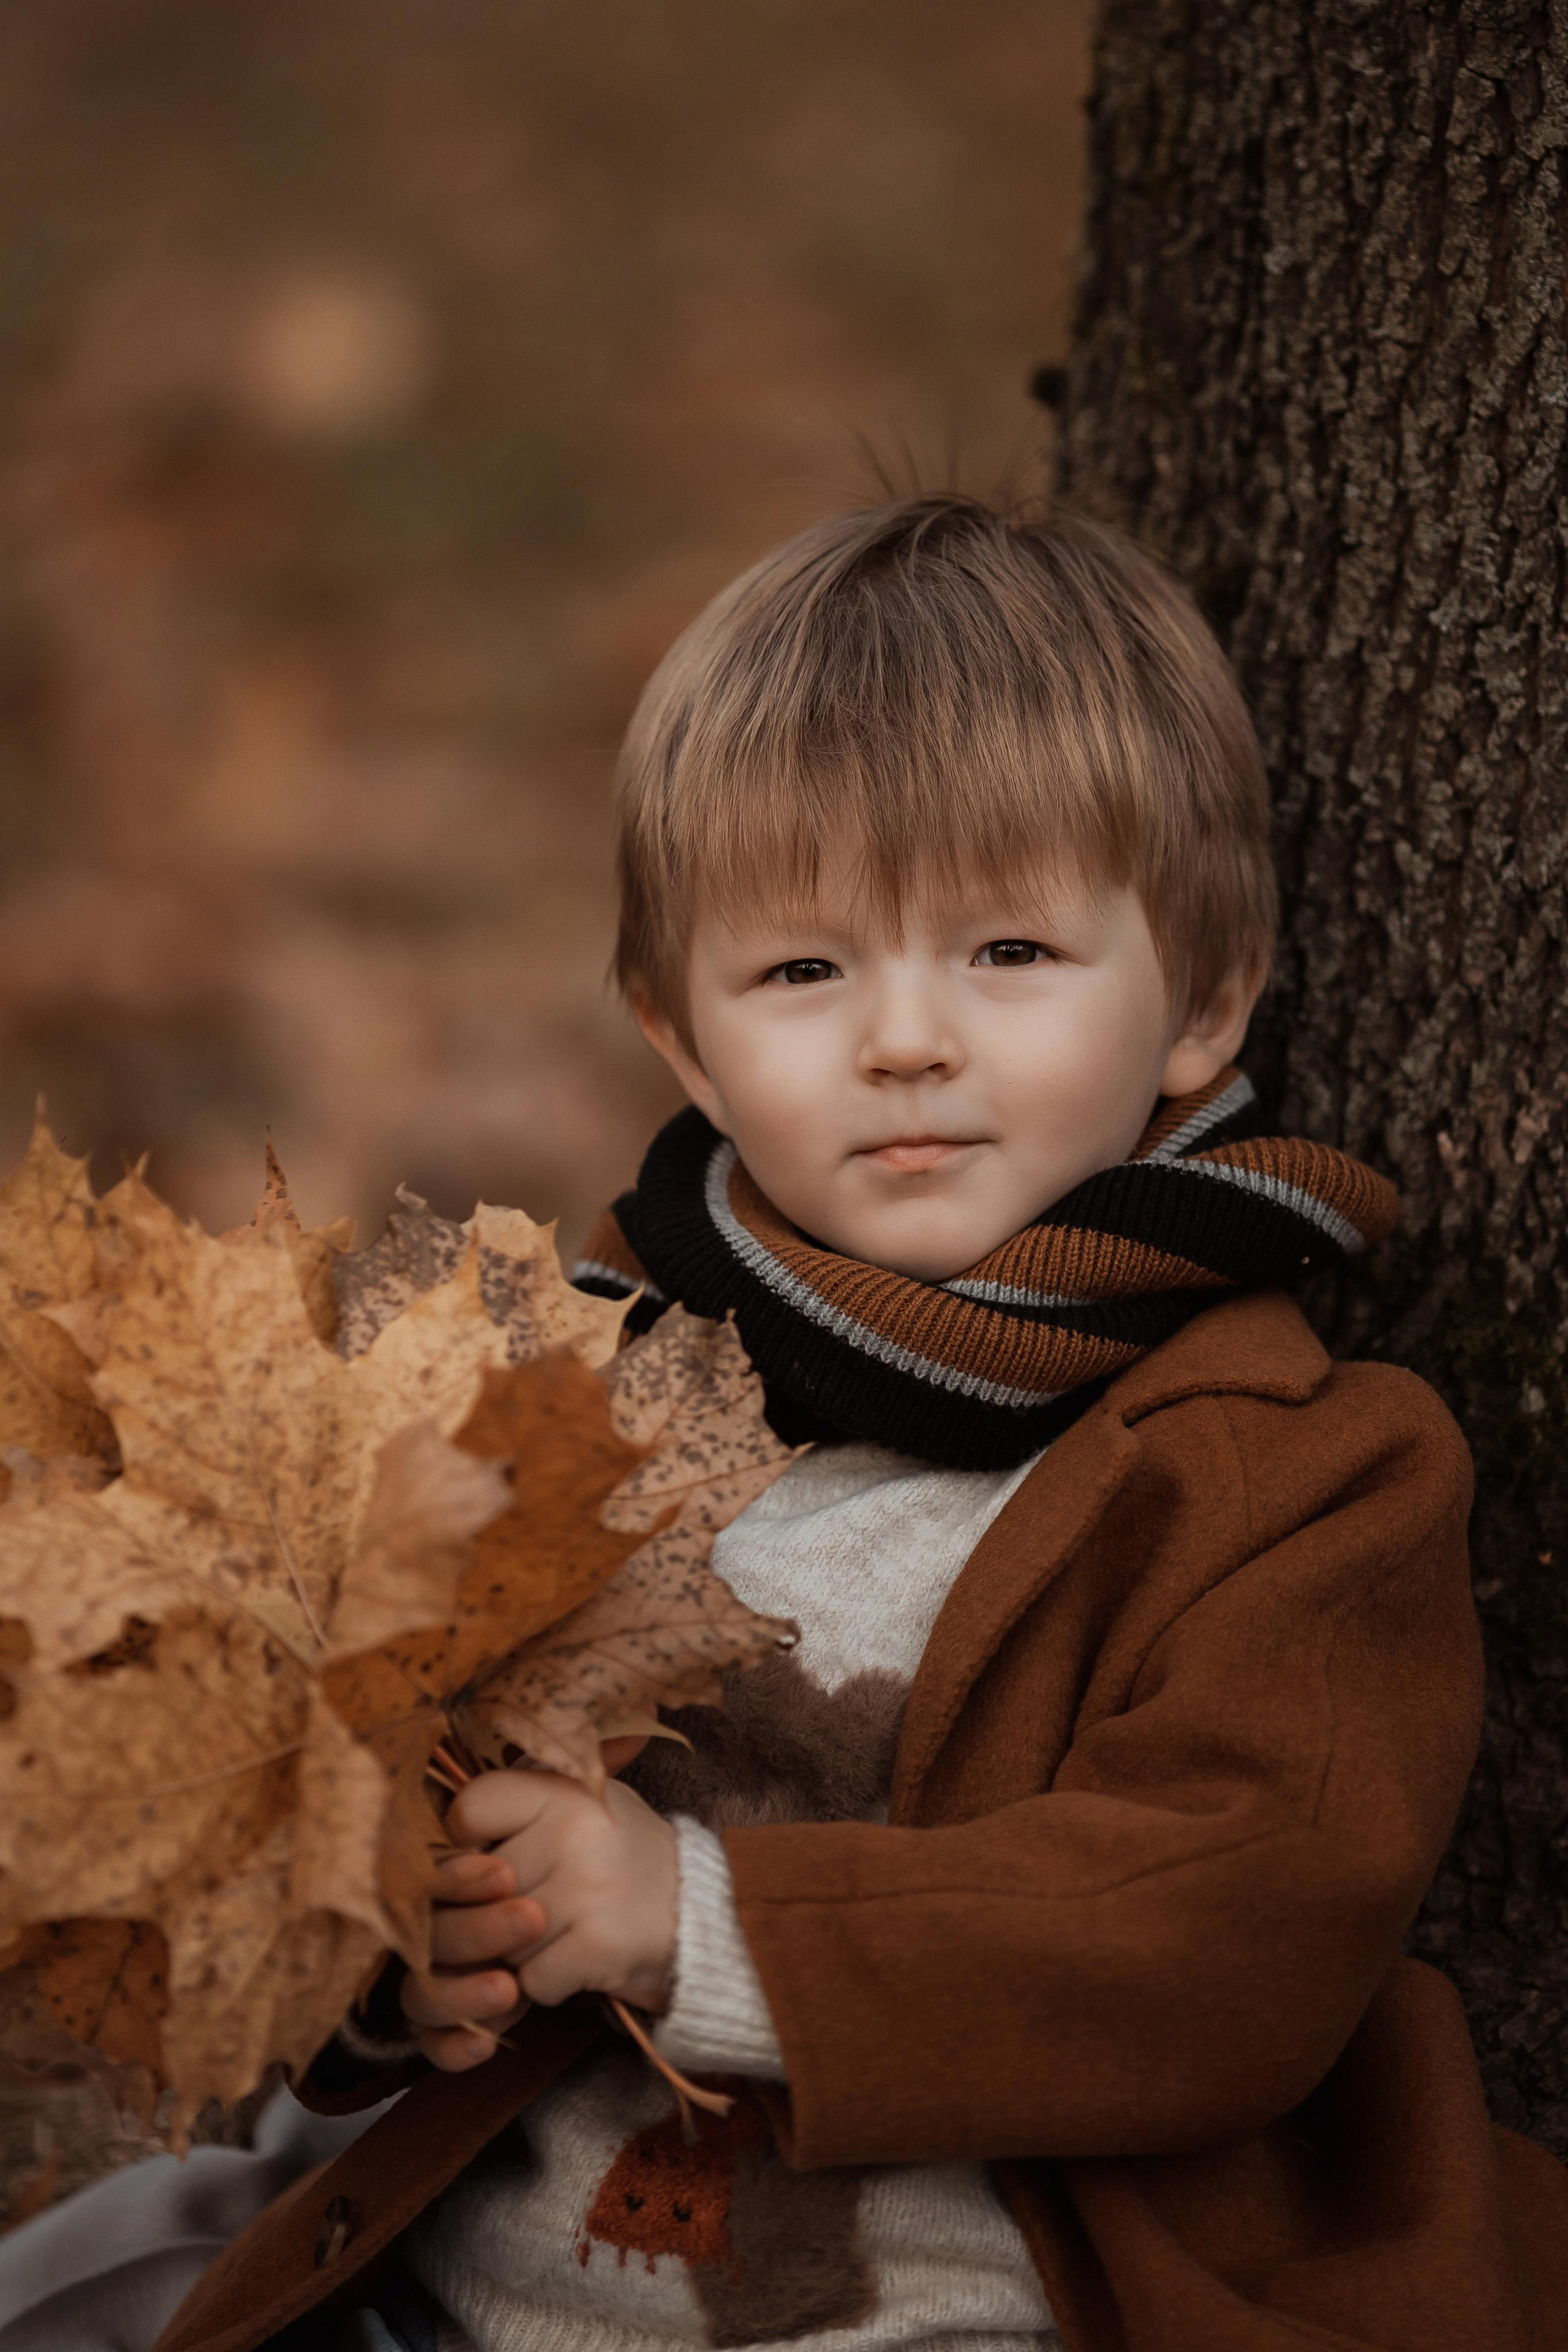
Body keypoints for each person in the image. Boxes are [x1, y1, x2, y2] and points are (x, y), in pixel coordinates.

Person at [120, 496, 1568, 2347]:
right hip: (468, 2306)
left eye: (1009, 953)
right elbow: (353, 1787)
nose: (905, 1039)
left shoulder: (1301, 1471)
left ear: (1204, 998)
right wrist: (409, 1969)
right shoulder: (566, 1401)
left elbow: (1234, 1932)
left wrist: (698, 1921)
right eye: (805, 971)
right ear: (679, 1033)